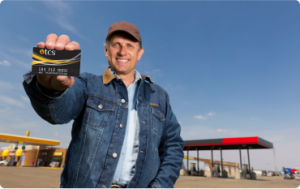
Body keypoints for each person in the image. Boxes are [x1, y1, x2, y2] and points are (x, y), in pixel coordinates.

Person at [23, 21, 184, 189]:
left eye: (130, 46)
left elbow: (173, 146)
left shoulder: (159, 96)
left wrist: (160, 186)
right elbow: (58, 112)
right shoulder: (86, 83)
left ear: (139, 53)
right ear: (106, 50)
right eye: (116, 45)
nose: (123, 52)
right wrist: (49, 90)